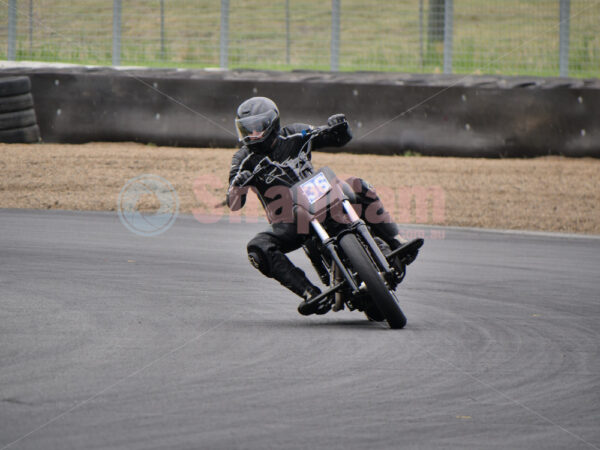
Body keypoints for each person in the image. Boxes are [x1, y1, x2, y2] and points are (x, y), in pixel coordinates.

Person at [227, 97, 418, 315]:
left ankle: (397, 242)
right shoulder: (242, 158)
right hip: (290, 217)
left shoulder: (296, 132)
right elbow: (234, 204)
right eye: (246, 129)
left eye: (256, 127)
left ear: (272, 124)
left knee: (358, 184)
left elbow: (337, 138)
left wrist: (340, 126)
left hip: (323, 195)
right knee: (257, 247)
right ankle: (309, 292)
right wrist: (237, 187)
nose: (251, 134)